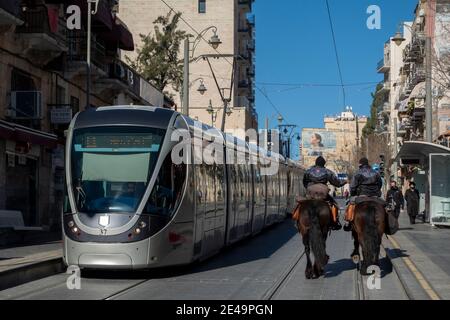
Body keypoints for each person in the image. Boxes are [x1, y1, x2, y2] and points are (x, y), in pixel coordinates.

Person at [302, 156, 346, 230]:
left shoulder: (308, 171)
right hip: (323, 195)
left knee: (300, 205)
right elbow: (337, 183)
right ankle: (335, 222)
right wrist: (344, 182)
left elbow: (304, 182)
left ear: (315, 163)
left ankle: (297, 220)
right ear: (324, 164)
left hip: (310, 194)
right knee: (334, 205)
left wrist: (309, 189)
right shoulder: (327, 172)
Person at [343, 157, 383, 232]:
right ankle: (387, 224)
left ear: (360, 164)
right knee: (385, 206)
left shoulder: (358, 173)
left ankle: (347, 222)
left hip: (361, 195)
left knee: (349, 204)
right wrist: (376, 191)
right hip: (375, 195)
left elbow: (352, 186)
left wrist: (353, 194)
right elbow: (380, 184)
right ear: (368, 164)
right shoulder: (375, 173)